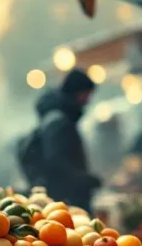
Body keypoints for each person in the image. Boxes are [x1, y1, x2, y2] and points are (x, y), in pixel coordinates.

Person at [31, 69, 101, 211]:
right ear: (78, 92)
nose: (88, 100)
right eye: (86, 94)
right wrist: (86, 180)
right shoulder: (59, 122)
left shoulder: (58, 118)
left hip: (64, 198)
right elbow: (56, 163)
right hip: (65, 200)